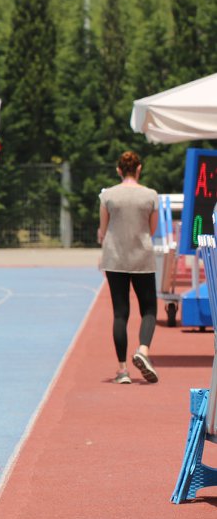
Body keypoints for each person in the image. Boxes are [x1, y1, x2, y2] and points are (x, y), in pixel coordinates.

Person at [97, 151, 160, 385]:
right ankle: (143, 349)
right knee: (149, 310)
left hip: (115, 258)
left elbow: (103, 230)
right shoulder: (150, 195)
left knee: (120, 312)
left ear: (118, 170)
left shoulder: (108, 196)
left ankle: (122, 370)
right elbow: (152, 229)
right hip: (142, 257)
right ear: (139, 169)